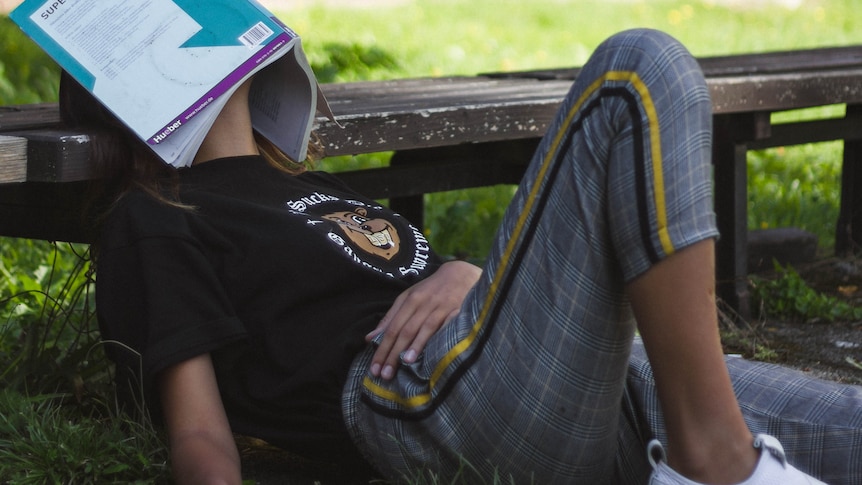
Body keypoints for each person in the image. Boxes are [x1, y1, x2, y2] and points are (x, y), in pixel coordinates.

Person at [59, 28, 861, 485]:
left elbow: (429, 288)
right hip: (430, 405)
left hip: (594, 385)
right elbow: (199, 433)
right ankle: (712, 460)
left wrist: (464, 270)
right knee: (640, 72)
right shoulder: (156, 216)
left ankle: (697, 447)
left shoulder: (307, 184)